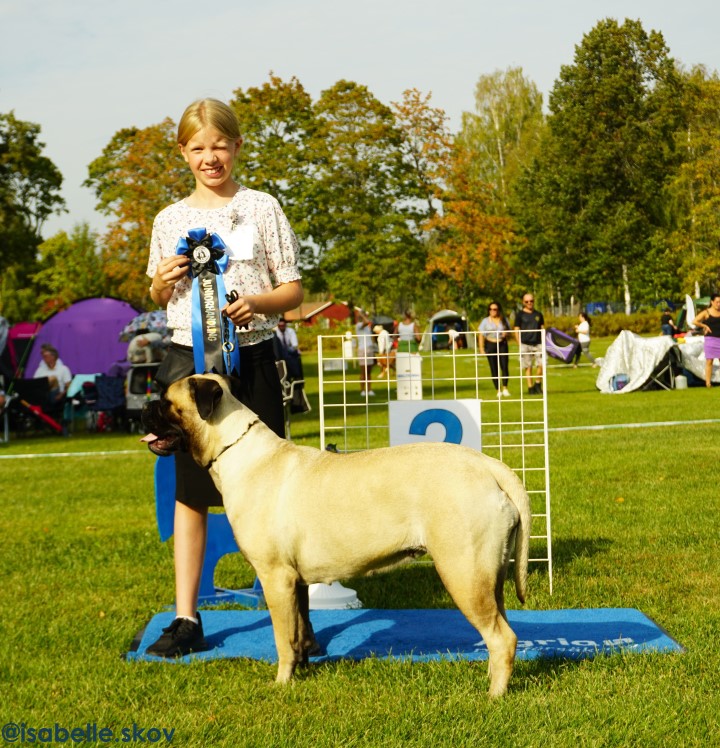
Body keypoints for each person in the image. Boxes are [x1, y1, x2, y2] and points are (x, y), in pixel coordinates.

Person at [144, 98, 304, 657]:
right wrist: (162, 282)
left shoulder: (263, 207)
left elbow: (294, 290)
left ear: (236, 146)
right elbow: (158, 294)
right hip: (191, 370)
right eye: (197, 148)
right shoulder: (168, 220)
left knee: (278, 491)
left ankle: (296, 620)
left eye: (219, 145)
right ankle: (187, 618)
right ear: (183, 154)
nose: (209, 157)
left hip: (253, 362)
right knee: (190, 494)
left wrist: (258, 302)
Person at [513, 294, 545, 395]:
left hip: (538, 343)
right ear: (523, 302)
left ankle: (538, 384)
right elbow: (516, 329)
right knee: (528, 366)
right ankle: (530, 387)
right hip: (525, 343)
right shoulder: (520, 315)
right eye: (527, 301)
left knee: (542, 364)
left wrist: (544, 341)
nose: (529, 303)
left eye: (531, 301)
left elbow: (542, 327)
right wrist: (519, 343)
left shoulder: (538, 314)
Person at [479, 302, 511, 397]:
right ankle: (498, 390)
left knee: (504, 366)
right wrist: (481, 348)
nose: (493, 311)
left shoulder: (504, 320)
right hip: (490, 344)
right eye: (491, 309)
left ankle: (505, 387)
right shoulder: (485, 321)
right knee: (493, 368)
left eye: (495, 309)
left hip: (502, 344)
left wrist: (507, 334)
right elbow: (481, 335)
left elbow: (510, 331)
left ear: (498, 310)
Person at [692, 293, 720, 388]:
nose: (719, 304)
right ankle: (708, 383)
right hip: (710, 339)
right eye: (717, 302)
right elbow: (694, 321)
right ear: (712, 302)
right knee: (709, 361)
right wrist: (704, 326)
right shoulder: (706, 312)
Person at [274, 317, 303, 381]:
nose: (281, 327)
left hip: (289, 352)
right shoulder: (275, 334)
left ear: (285, 325)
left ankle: (295, 375)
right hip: (279, 354)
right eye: (280, 325)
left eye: (283, 325)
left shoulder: (290, 331)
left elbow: (294, 344)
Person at [355, 310, 376, 395]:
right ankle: (362, 390)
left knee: (369, 371)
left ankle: (369, 390)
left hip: (369, 349)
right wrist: (362, 315)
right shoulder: (358, 325)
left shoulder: (367, 327)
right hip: (362, 349)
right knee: (363, 371)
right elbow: (367, 321)